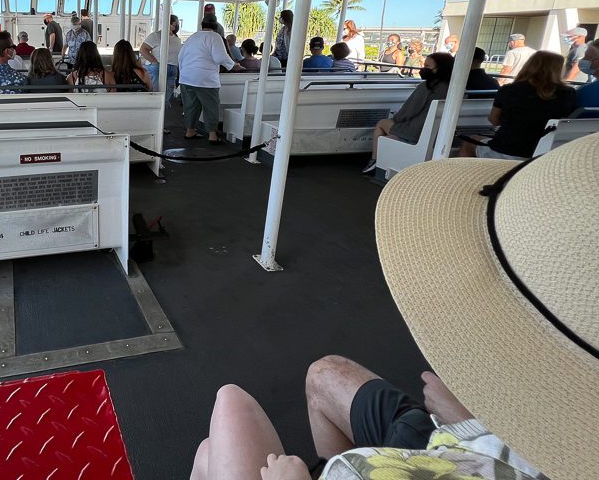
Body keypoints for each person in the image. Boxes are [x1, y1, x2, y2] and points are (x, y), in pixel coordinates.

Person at [193, 135, 599, 480]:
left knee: (219, 430)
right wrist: (472, 425)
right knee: (324, 373)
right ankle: (324, 464)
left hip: (418, 461)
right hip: (465, 444)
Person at [458, 51, 577, 159]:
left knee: (469, 143)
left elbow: (494, 120)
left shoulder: (510, 90)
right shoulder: (568, 93)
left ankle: (462, 178)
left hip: (507, 150)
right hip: (543, 153)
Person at [363, 53, 454, 173]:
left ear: (440, 68)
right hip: (440, 133)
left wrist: (396, 118)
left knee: (382, 123)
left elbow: (408, 111)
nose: (424, 68)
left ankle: (374, 160)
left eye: (427, 66)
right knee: (391, 135)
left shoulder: (427, 87)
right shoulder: (454, 88)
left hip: (415, 132)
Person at [179, 14, 237, 144]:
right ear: (215, 26)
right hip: (206, 79)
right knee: (211, 106)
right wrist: (233, 65)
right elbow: (220, 57)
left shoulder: (192, 37)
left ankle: (190, 131)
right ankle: (212, 135)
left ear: (202, 24)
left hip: (187, 77)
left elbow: (181, 56)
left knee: (190, 106)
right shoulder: (215, 37)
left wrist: (184, 72)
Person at [140, 14, 183, 105]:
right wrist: (154, 62)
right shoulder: (156, 36)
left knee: (166, 96)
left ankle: (162, 114)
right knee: (156, 95)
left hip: (173, 68)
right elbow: (143, 49)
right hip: (158, 67)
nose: (176, 26)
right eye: (174, 24)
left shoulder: (176, 39)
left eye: (176, 24)